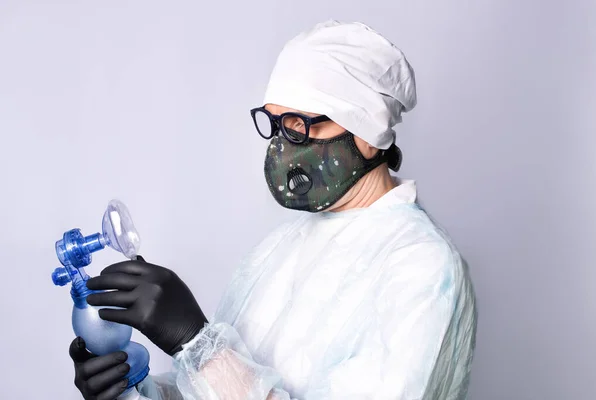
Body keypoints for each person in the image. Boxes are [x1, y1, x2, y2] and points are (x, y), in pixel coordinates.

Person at [68, 20, 477, 400]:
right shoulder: (282, 246)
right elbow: (215, 391)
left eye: (300, 124)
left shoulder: (422, 267)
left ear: (368, 135)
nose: (282, 145)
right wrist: (131, 388)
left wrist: (196, 342)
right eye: (276, 124)